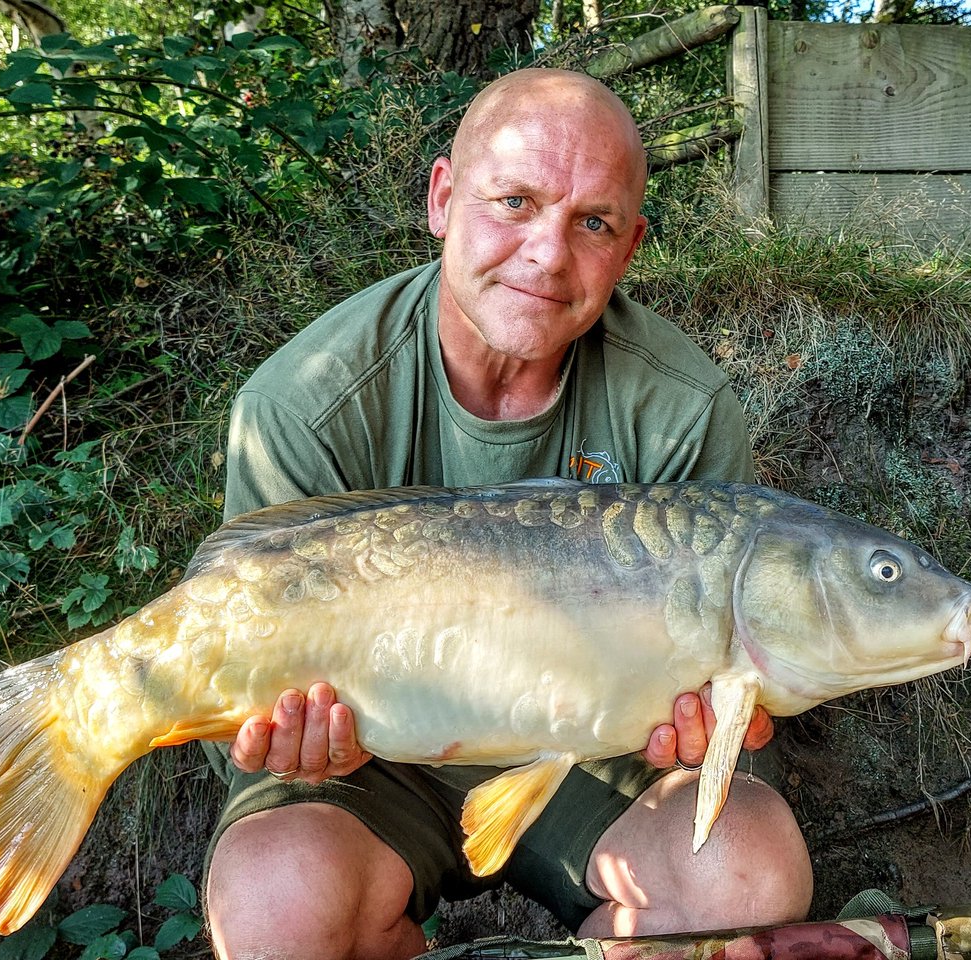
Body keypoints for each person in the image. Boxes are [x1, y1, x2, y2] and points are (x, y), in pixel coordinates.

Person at [204, 67, 812, 960]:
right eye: (515, 201)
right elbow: (242, 662)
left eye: (592, 223)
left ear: (631, 246)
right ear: (444, 198)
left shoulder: (680, 408)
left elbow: (724, 692)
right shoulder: (306, 404)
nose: (547, 254)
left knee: (746, 871)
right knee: (275, 902)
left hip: (589, 747)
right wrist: (289, 736)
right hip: (372, 761)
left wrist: (703, 730)